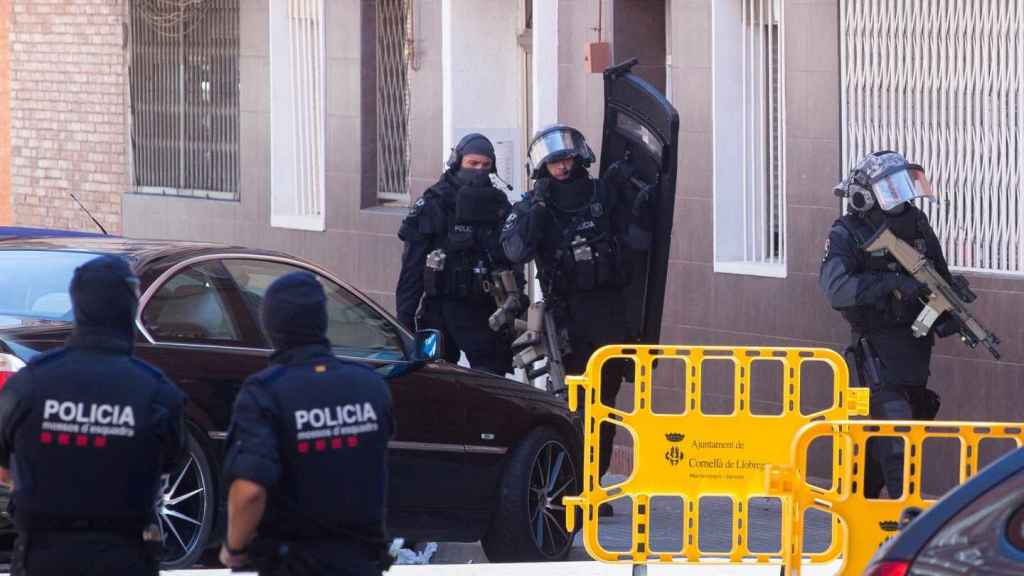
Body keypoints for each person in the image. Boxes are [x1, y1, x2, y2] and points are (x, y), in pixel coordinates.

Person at [0, 255, 187, 576]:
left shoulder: (30, 384)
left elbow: (3, 463)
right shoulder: (156, 392)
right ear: (130, 307)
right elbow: (169, 462)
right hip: (123, 557)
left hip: (43, 558)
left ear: (78, 304)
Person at [500, 124, 652, 513]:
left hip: (610, 315)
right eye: (553, 163)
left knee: (605, 404)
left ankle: (593, 485)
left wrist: (640, 200)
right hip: (567, 320)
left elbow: (640, 240)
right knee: (572, 405)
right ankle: (570, 484)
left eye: (566, 159)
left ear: (579, 157)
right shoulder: (536, 204)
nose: (562, 168)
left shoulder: (603, 193)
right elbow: (515, 250)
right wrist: (534, 209)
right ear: (542, 168)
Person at [219, 272, 395, 575]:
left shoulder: (266, 392)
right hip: (361, 563)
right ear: (320, 321)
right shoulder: (371, 386)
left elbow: (249, 490)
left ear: (272, 326)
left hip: (295, 563)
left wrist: (234, 549)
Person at [820, 150, 955, 498]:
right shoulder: (847, 232)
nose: (901, 198)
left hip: (914, 359)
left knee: (873, 465)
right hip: (875, 359)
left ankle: (856, 529)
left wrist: (951, 303)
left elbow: (937, 274)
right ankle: (903, 538)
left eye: (902, 187)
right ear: (866, 193)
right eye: (890, 189)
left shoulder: (917, 225)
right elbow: (837, 290)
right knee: (899, 458)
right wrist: (892, 285)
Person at [395, 133, 522, 375]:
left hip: (484, 313)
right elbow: (411, 266)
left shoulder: (498, 205)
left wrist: (516, 304)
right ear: (457, 162)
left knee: (493, 387)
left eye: (485, 166)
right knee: (429, 381)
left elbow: (511, 258)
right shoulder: (436, 201)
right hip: (438, 311)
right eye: (472, 164)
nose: (479, 171)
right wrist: (404, 319)